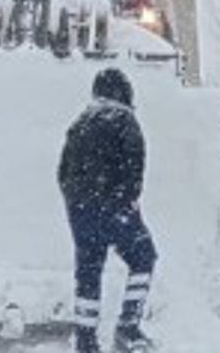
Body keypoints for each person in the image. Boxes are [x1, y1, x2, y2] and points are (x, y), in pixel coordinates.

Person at [58, 68, 157, 353]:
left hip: (80, 210)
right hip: (114, 205)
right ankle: (128, 327)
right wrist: (127, 199)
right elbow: (135, 163)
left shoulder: (80, 123)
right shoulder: (124, 119)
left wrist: (76, 202)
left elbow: (63, 171)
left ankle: (86, 341)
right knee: (143, 256)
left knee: (88, 271)